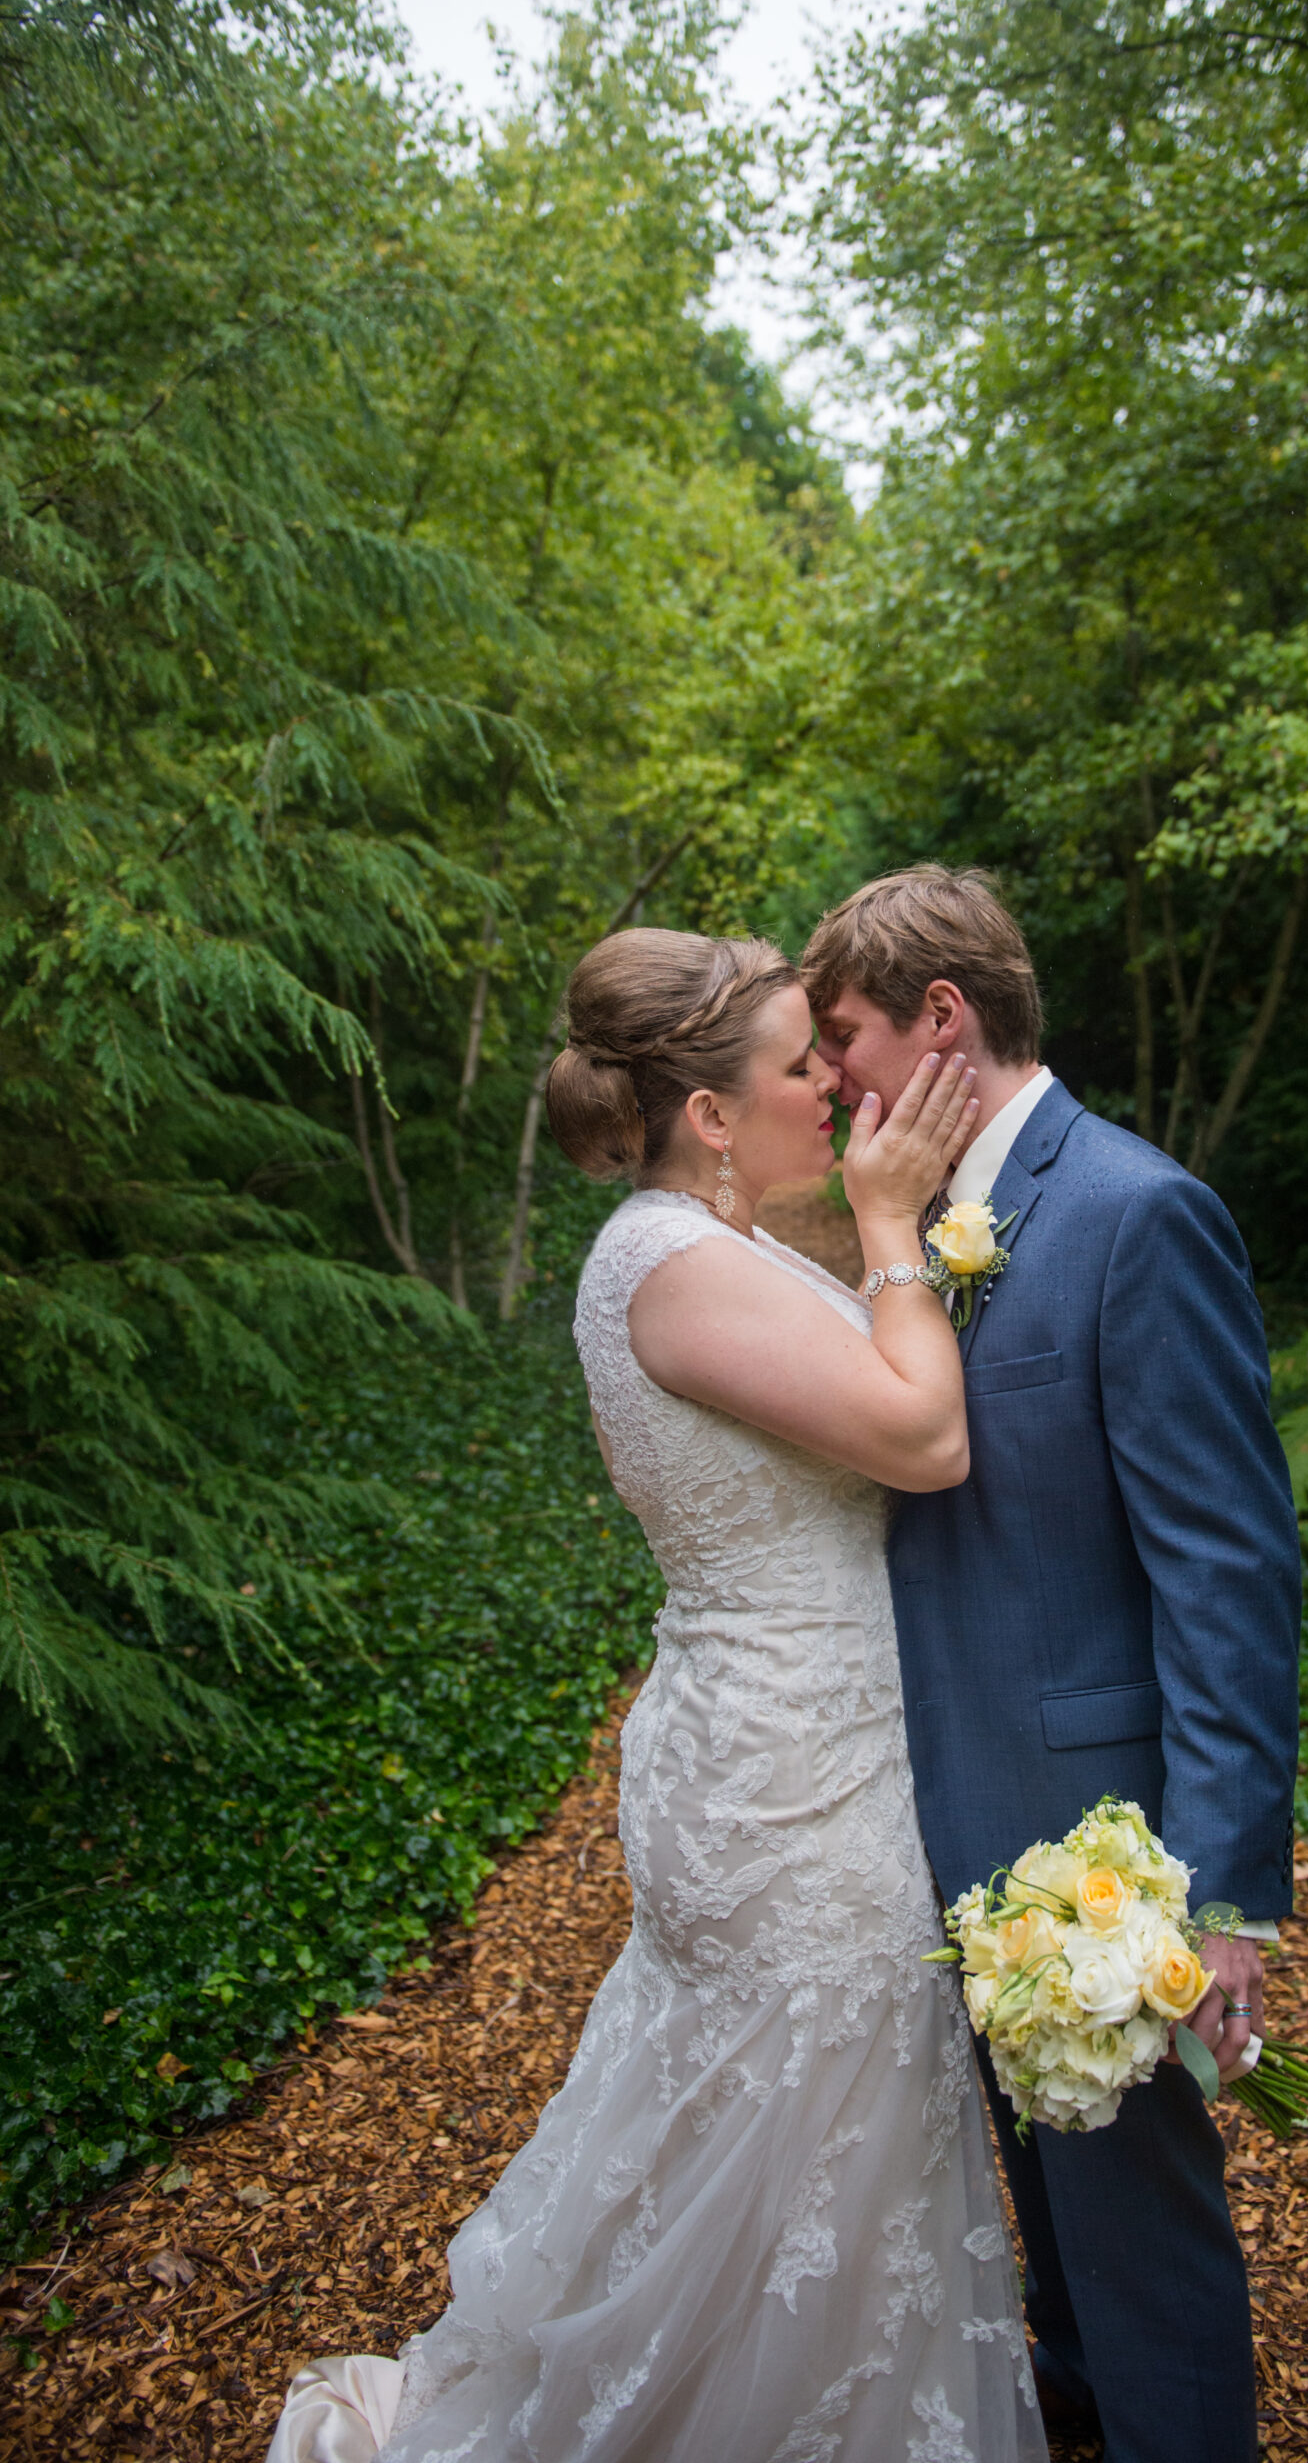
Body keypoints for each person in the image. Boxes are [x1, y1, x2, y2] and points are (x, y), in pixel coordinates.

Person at [266, 927, 1047, 2463]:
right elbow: (920, 1441)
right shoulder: (668, 1267)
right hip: (789, 1777)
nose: (829, 1083)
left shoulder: (724, 1245)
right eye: (796, 1063)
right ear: (708, 1111)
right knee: (807, 2115)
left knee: (801, 2128)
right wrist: (895, 1227)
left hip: (810, 1740)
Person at [802, 865, 1302, 2463]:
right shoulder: (921, 1228)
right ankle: (1078, 2408)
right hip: (941, 1816)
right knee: (1042, 2209)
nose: (834, 1087)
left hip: (1106, 1848)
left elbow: (1225, 1573)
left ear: (941, 1018)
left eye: (847, 1042)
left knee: (1143, 2237)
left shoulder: (1132, 1212)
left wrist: (1220, 1897)